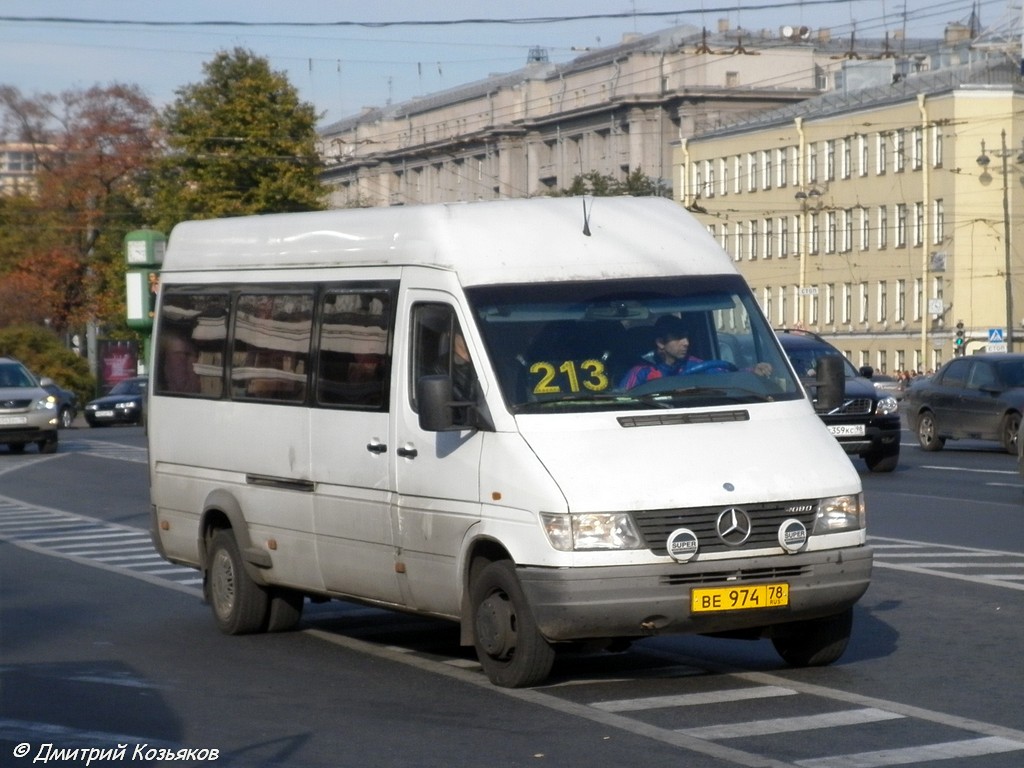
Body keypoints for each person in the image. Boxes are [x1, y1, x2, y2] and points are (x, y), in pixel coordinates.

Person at [620, 315, 771, 389]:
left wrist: (752, 371)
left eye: (686, 337)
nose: (686, 342)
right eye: (678, 338)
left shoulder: (697, 365)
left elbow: (728, 377)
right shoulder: (640, 372)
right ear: (661, 343)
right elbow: (622, 399)